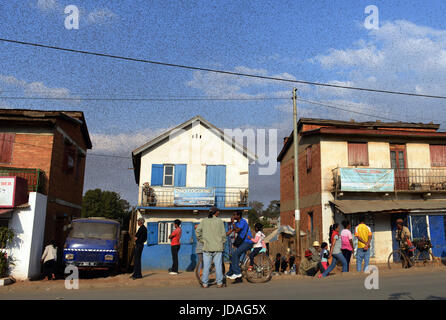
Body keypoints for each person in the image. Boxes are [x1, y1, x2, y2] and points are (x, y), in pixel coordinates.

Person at [196, 207, 227, 288]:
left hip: (207, 247)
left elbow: (197, 231)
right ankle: (219, 283)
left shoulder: (204, 221)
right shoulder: (219, 221)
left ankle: (205, 283)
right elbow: (223, 234)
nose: (218, 213)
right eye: (218, 212)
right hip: (217, 247)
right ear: (216, 213)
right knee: (218, 265)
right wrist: (223, 243)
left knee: (206, 266)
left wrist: (201, 240)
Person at [226, 210, 253, 280]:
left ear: (239, 216)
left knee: (235, 254)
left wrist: (232, 223)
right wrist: (221, 236)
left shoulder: (243, 222)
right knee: (233, 257)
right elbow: (230, 232)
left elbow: (237, 230)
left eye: (235, 215)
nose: (233, 216)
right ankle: (230, 273)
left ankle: (237, 272)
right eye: (233, 215)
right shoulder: (237, 223)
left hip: (248, 242)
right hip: (242, 242)